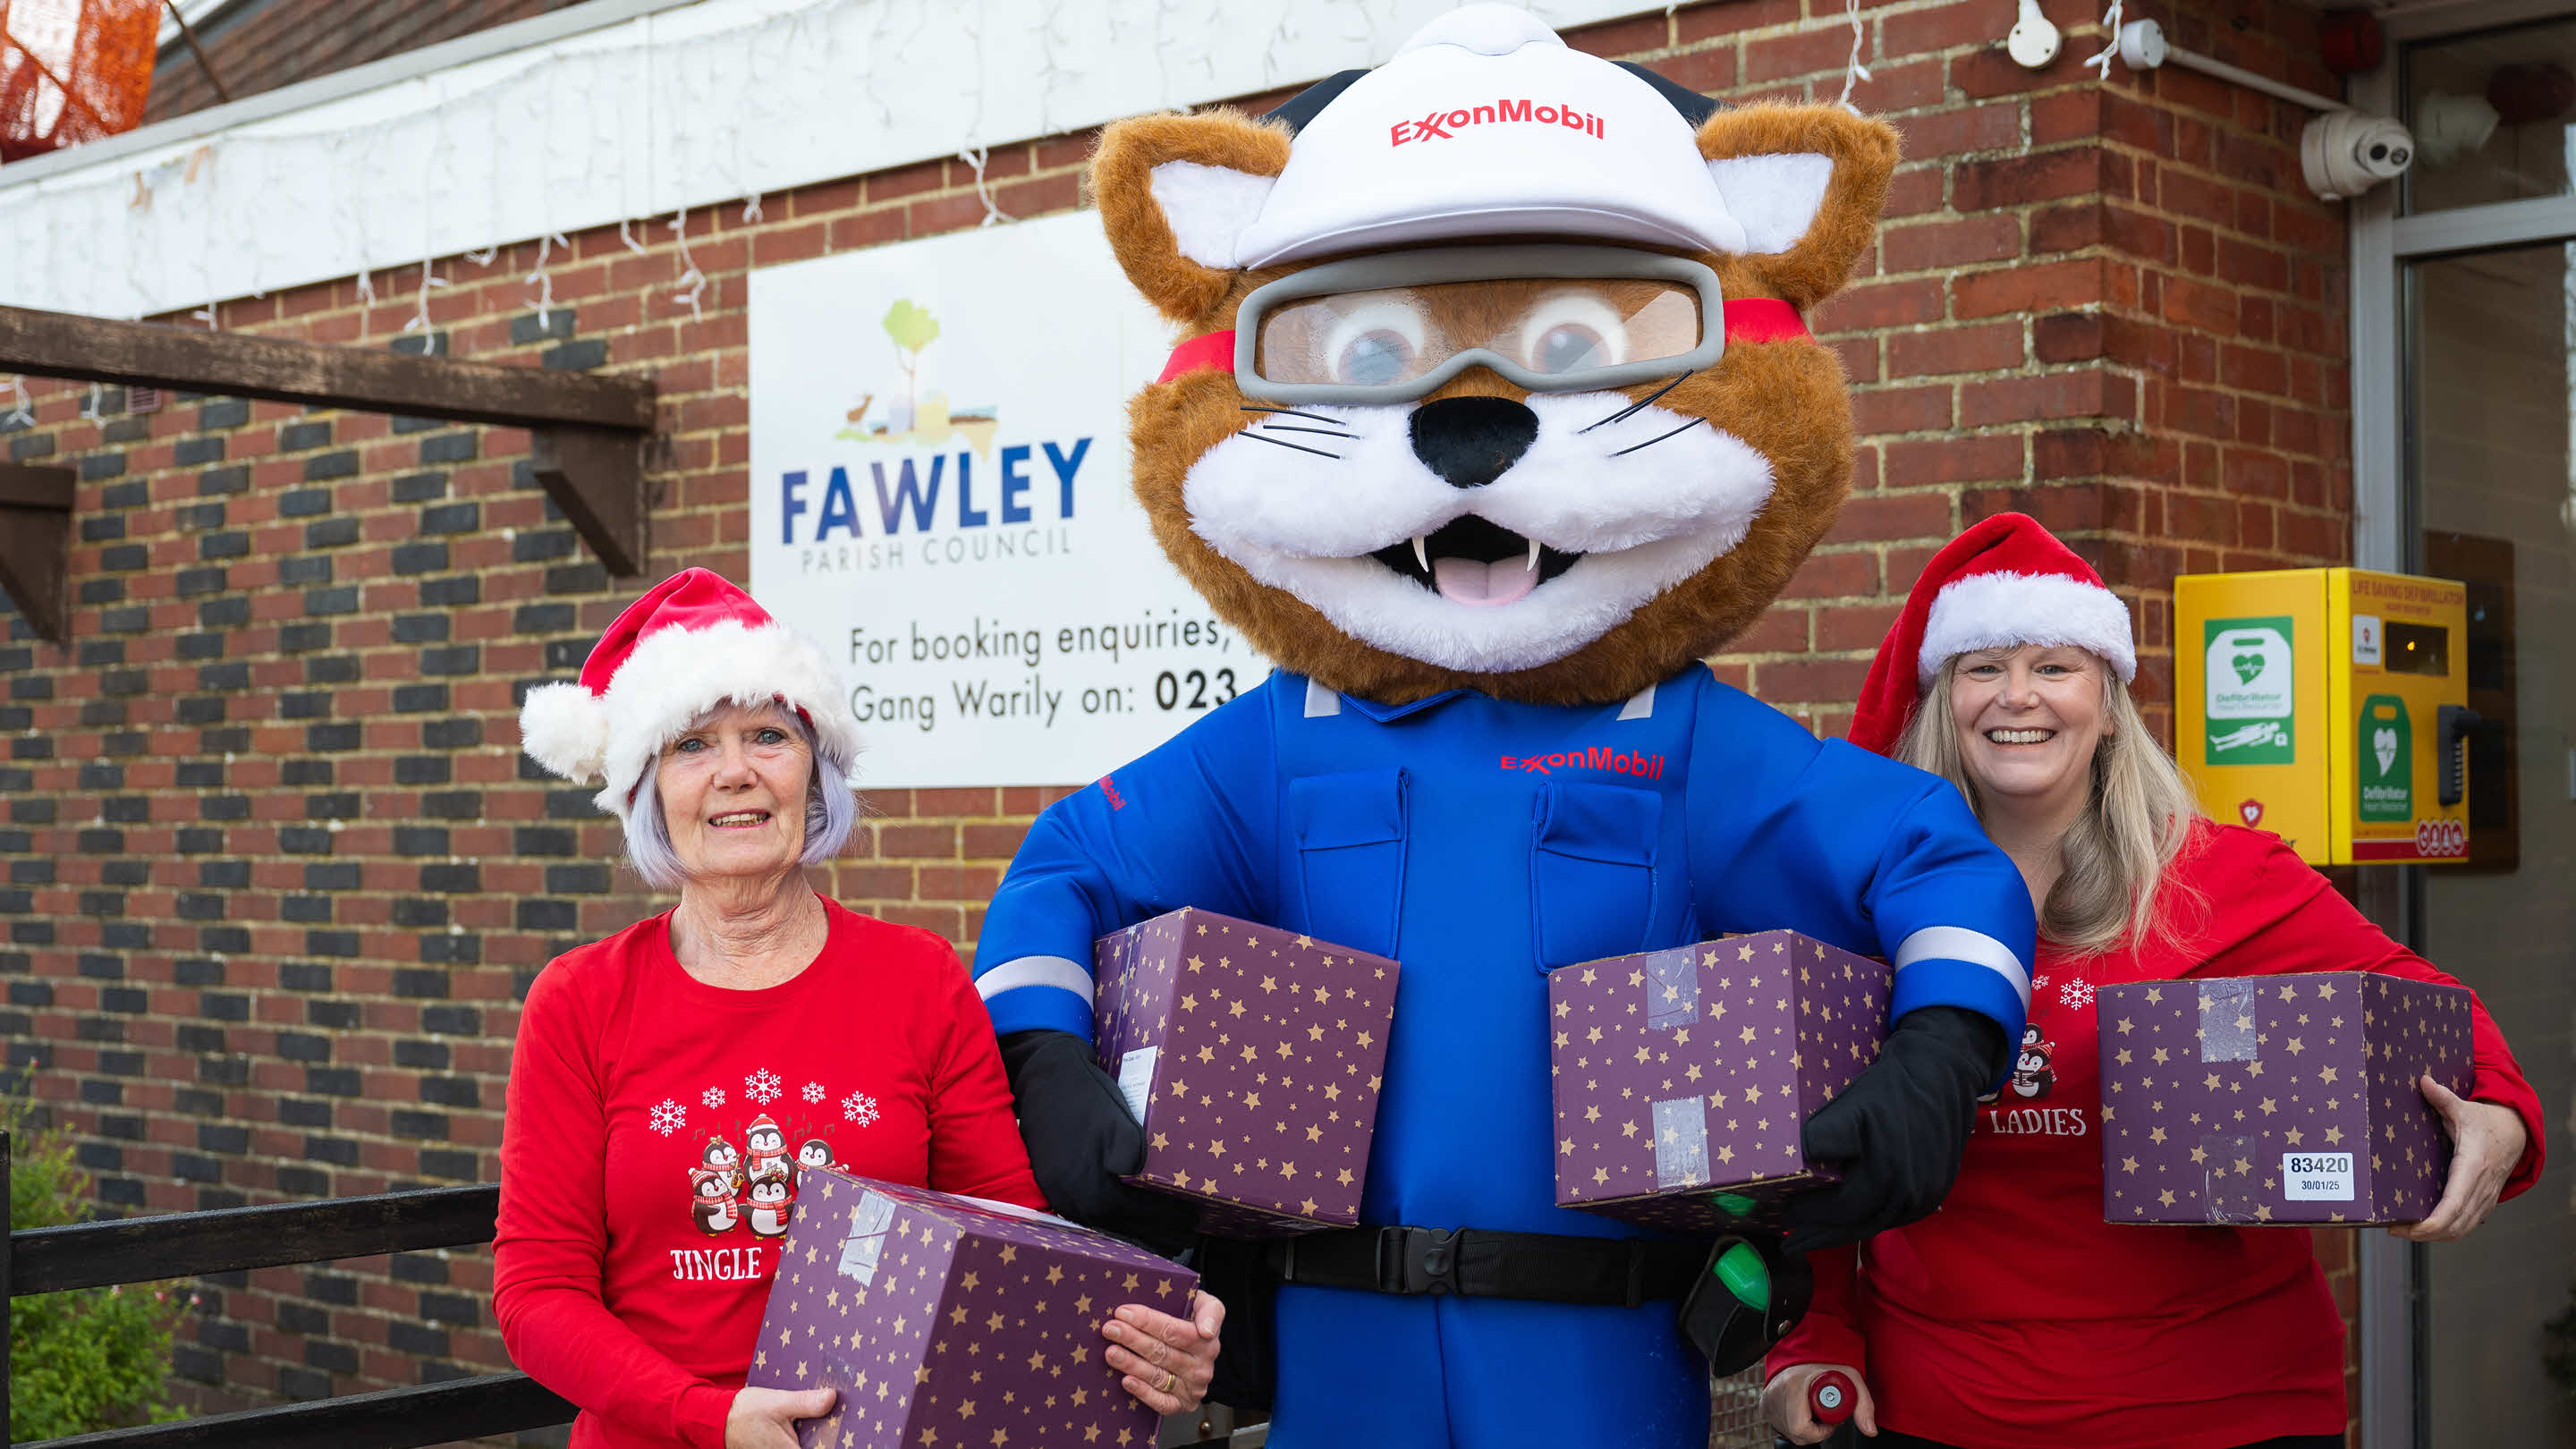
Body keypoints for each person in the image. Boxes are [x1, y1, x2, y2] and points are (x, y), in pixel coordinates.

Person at [1761, 515, 2545, 1449]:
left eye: (2054, 666)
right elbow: (1821, 1153)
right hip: (1940, 1409)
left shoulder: (2219, 877)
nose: (2019, 697)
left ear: (2106, 694)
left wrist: (2500, 1115)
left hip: (2222, 1408)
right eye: (1984, 668)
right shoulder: (1862, 894)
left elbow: (2431, 1009)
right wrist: (1812, 1346)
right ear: (1943, 697)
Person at [492, 569, 1223, 1449]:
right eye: (692, 744)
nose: (735, 772)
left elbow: (1008, 1228)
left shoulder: (917, 979)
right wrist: (712, 1419)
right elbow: (539, 1294)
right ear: (648, 790)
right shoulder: (582, 1001)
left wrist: (1153, 1321)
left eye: (767, 733)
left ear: (813, 771)